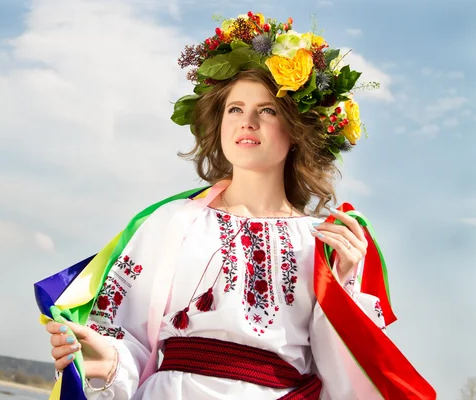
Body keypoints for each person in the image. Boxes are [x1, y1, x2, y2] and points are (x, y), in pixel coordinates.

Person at [40, 12, 435, 400]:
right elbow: (127, 339)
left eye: (267, 110)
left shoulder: (326, 242)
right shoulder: (172, 222)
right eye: (235, 109)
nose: (247, 121)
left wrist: (343, 289)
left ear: (296, 129)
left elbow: (345, 376)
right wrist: (106, 362)